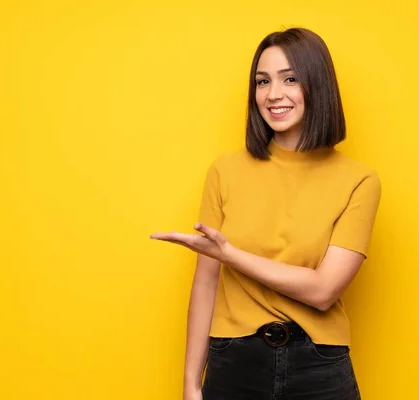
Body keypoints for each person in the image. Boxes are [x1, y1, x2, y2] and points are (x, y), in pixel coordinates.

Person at [151, 27, 381, 400]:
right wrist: (191, 385)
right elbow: (206, 283)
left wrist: (230, 255)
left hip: (319, 365)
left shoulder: (359, 180)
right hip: (233, 361)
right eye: (262, 81)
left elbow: (323, 290)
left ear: (316, 84)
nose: (273, 94)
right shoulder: (225, 171)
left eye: (290, 79)